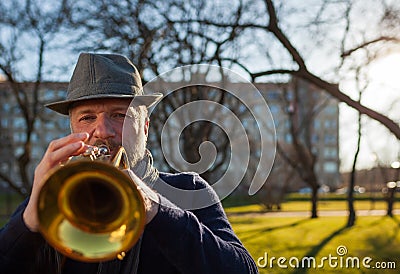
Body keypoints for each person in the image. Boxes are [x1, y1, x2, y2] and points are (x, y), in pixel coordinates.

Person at [0, 53, 258, 274]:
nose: (102, 131)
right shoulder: (51, 199)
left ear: (145, 127)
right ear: (72, 128)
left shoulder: (188, 189)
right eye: (87, 118)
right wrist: (28, 222)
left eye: (119, 115)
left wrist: (157, 210)